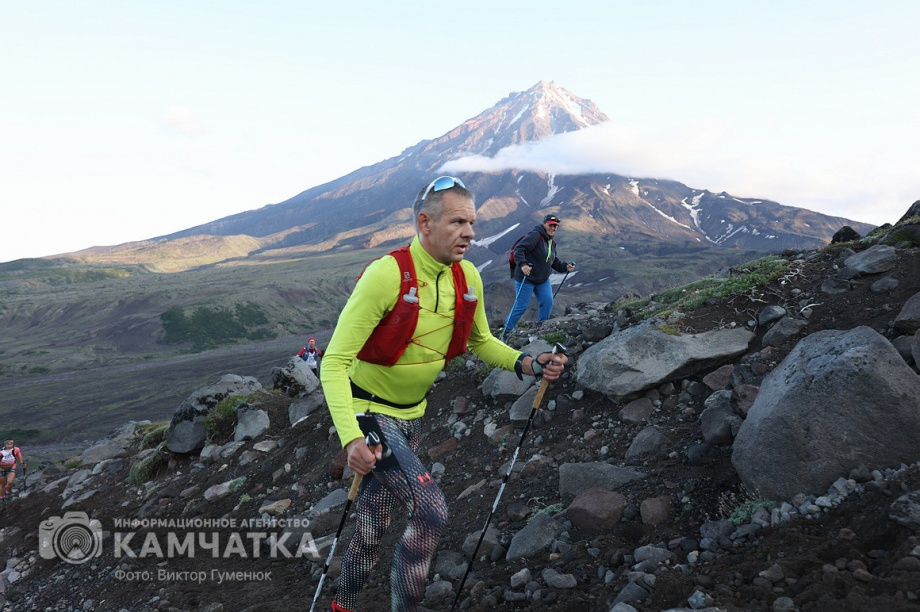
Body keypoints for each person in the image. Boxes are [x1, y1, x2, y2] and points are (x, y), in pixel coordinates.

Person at [319, 176, 568, 612]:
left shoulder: (466, 276)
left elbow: (480, 341)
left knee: (374, 523)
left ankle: (342, 603)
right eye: (458, 222)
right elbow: (335, 361)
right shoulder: (387, 274)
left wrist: (529, 363)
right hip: (369, 412)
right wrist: (351, 438)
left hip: (410, 416)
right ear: (425, 223)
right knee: (430, 511)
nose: (470, 232)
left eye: (471, 222)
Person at [503, 213, 575, 335]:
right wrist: (523, 264)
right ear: (544, 224)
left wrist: (565, 267)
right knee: (521, 306)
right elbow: (519, 249)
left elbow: (552, 260)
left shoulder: (552, 242)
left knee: (547, 302)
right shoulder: (535, 236)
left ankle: (541, 328)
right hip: (526, 278)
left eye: (555, 226)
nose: (553, 228)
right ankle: (506, 331)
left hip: (542, 280)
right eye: (551, 225)